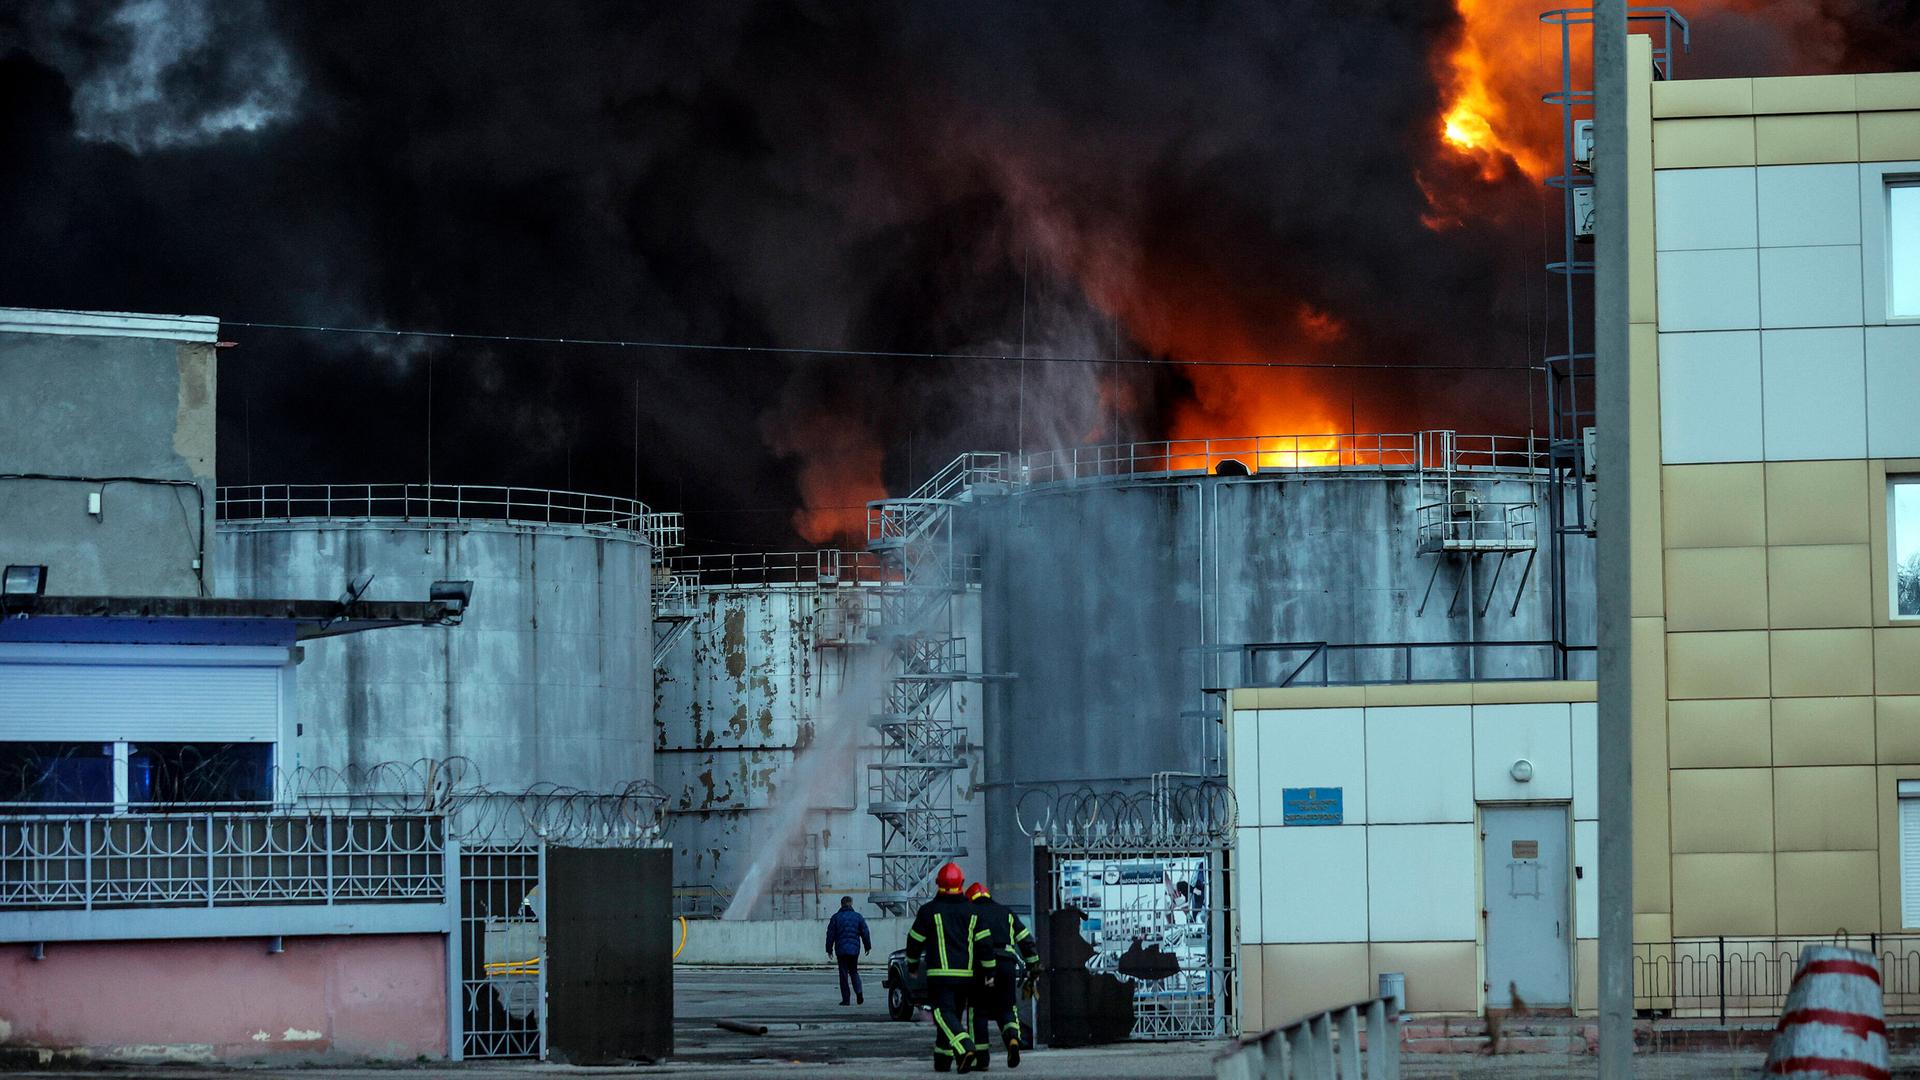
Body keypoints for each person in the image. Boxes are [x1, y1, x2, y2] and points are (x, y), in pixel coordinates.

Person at [905, 862, 993, 1073]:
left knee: (943, 1015)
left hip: (940, 976)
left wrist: (913, 964)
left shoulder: (929, 911)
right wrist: (990, 972)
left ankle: (965, 1047)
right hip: (967, 978)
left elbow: (914, 940)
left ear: (938, 884)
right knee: (952, 1016)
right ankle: (942, 1061)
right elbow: (985, 944)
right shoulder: (973, 912)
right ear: (961, 883)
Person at [964, 881, 1040, 1070]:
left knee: (978, 1012)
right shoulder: (1006, 912)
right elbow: (1026, 940)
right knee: (1007, 1008)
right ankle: (1013, 1039)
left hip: (981, 966)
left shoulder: (970, 913)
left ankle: (981, 1059)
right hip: (1007, 965)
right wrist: (1033, 965)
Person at [825, 895, 873, 1006]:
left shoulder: (836, 917)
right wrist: (867, 946)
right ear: (851, 903)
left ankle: (846, 1000)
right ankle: (859, 992)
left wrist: (829, 949)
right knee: (854, 972)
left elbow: (830, 934)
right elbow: (865, 932)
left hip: (841, 950)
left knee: (843, 975)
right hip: (854, 950)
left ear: (841, 904)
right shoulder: (858, 917)